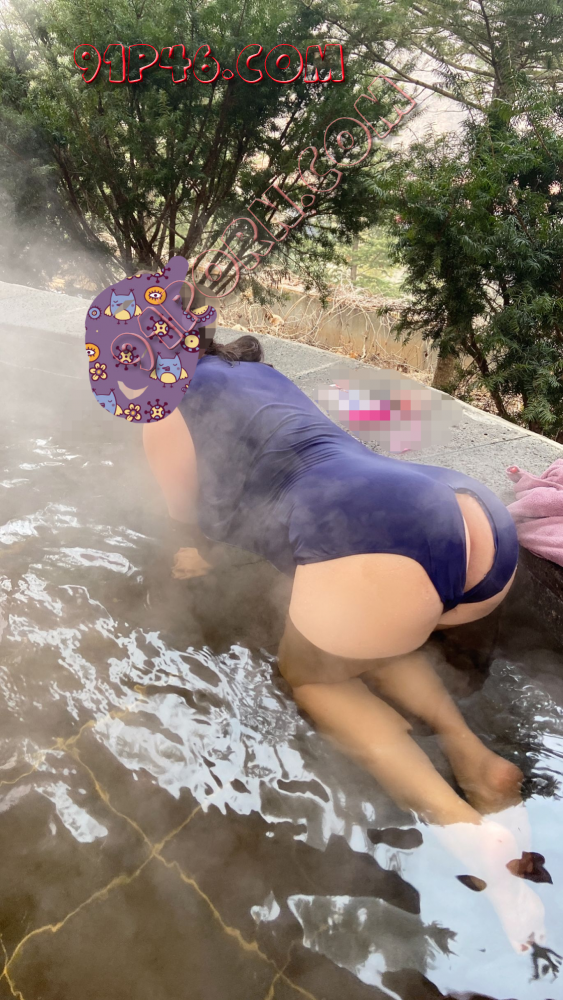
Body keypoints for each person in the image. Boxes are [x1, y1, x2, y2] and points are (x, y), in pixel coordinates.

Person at [142, 325, 546, 953]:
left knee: (312, 676)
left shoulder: (159, 402)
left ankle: (468, 833)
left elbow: (182, 516)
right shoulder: (256, 371)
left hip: (373, 545)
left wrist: (192, 556)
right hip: (471, 518)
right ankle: (473, 754)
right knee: (371, 636)